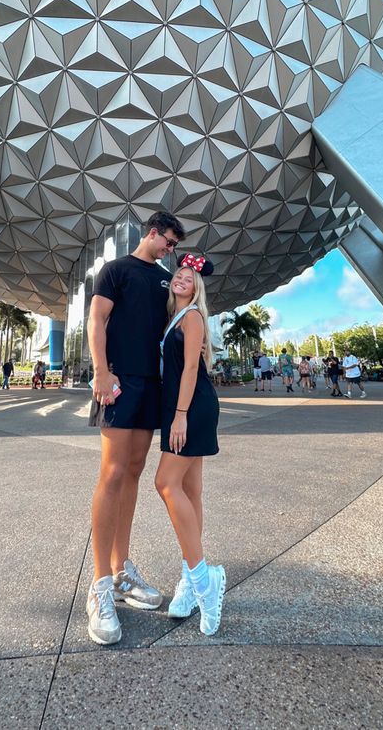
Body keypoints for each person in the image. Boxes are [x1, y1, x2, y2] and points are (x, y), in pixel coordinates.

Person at [86, 211, 186, 646]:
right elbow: (97, 320)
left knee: (134, 472)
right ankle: (100, 586)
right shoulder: (115, 270)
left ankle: (123, 570)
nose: (171, 248)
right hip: (121, 381)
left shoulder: (166, 280)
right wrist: (101, 371)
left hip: (153, 385)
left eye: (175, 244)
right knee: (111, 473)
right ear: (152, 232)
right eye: (169, 240)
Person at [155, 253, 225, 636]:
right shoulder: (174, 319)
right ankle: (189, 576)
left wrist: (180, 414)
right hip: (180, 407)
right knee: (189, 489)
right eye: (178, 275)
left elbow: (193, 368)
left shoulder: (193, 316)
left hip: (191, 406)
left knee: (165, 484)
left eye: (188, 276)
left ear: (196, 287)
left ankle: (203, 579)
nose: (182, 278)